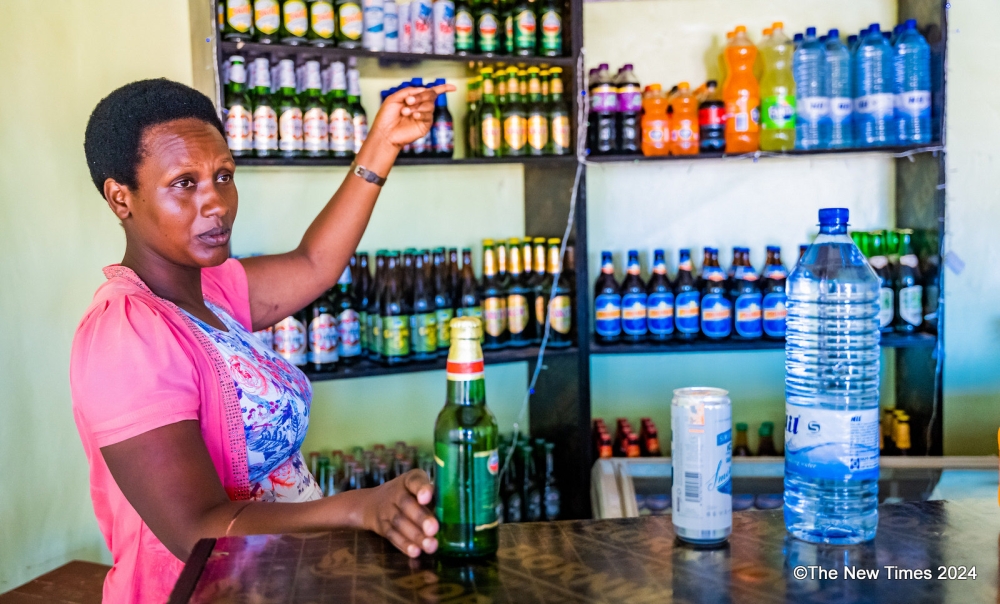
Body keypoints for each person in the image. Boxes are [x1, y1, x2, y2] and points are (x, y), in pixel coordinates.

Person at [71, 77, 454, 602]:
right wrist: (358, 508)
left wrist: (383, 142)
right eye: (184, 183)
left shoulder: (209, 290)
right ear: (121, 198)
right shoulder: (126, 335)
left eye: (223, 176)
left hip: (279, 580)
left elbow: (314, 264)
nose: (216, 203)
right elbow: (196, 531)